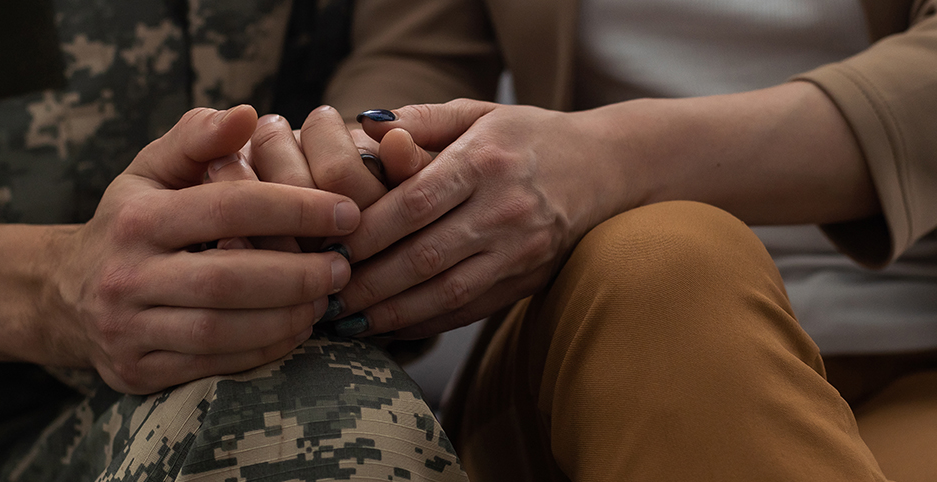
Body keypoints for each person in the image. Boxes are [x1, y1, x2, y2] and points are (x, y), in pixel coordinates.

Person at [0, 1, 469, 480]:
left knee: (325, 421)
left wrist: (332, 158)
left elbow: (411, 35)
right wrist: (50, 288)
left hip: (209, 373)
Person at [319, 0, 937, 480]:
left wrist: (616, 158)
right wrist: (357, 169)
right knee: (669, 263)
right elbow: (417, 59)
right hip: (600, 337)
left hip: (915, 357)